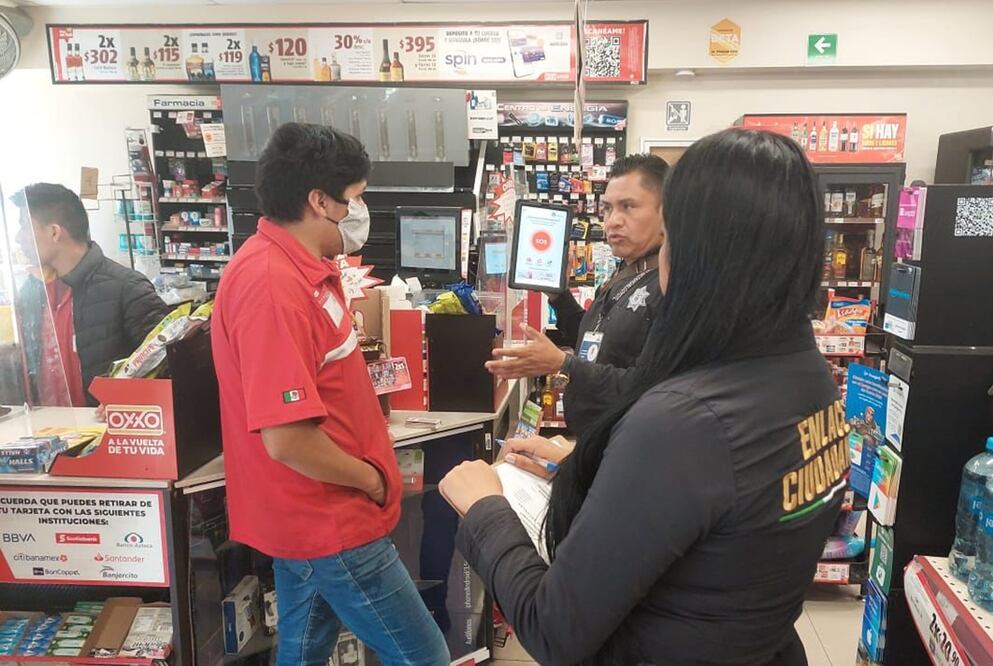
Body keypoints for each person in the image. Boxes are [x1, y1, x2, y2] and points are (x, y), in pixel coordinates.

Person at [440, 129, 847, 665]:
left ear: (699, 251)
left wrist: (485, 508)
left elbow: (554, 627)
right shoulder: (808, 375)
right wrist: (589, 466)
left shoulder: (683, 422)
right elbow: (721, 515)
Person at [210, 123, 448, 666]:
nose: (360, 212)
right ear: (319, 201)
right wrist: (372, 480)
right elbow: (287, 438)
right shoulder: (272, 286)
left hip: (316, 519)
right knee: (424, 656)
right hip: (330, 519)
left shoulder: (302, 269)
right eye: (354, 199)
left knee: (303, 651)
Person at [486, 154, 667, 431]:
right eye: (607, 208)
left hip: (626, 443)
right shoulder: (626, 272)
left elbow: (650, 387)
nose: (613, 221)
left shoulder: (668, 285)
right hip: (593, 442)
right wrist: (559, 297)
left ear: (666, 212)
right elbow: (594, 345)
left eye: (628, 207)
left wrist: (564, 364)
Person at [12, 183, 168, 407]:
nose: (18, 238)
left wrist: (126, 398)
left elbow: (167, 363)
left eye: (25, 227)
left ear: (54, 232)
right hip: (43, 425)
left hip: (102, 426)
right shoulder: (31, 292)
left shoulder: (126, 288)